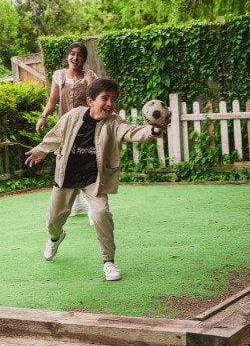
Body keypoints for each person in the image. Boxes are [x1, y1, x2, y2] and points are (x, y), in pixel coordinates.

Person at [25, 77, 167, 281]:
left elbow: (133, 132)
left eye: (114, 99)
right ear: (90, 101)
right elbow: (55, 135)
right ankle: (56, 237)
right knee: (53, 221)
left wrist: (154, 130)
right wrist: (40, 151)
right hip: (67, 174)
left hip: (94, 178)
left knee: (101, 213)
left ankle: (108, 261)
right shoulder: (74, 115)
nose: (110, 103)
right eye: (105, 98)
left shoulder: (115, 122)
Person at [36, 42, 98, 220]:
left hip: (86, 127)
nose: (75, 57)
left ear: (84, 59)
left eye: (79, 55)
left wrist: (88, 80)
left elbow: (95, 98)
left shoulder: (89, 76)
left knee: (85, 162)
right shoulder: (59, 76)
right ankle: (78, 202)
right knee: (68, 162)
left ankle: (93, 205)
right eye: (72, 54)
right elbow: (52, 100)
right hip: (65, 128)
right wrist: (43, 117)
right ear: (67, 56)